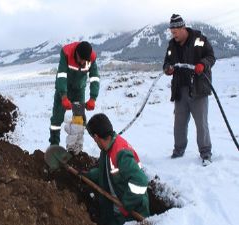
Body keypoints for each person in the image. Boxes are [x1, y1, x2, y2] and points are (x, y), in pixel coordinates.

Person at [163, 14, 216, 166]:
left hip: (198, 89)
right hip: (180, 90)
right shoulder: (172, 45)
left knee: (201, 123)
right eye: (171, 32)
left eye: (175, 32)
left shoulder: (200, 39)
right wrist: (168, 69)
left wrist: (203, 64)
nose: (173, 35)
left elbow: (211, 57)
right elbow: (166, 62)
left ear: (182, 28)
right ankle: (178, 150)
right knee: (179, 123)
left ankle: (205, 153)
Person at [85, 113, 150, 225]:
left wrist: (126, 205)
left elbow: (140, 182)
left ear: (96, 137)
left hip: (131, 214)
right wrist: (89, 175)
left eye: (93, 138)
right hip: (115, 209)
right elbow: (105, 172)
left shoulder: (121, 154)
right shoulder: (107, 149)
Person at [49, 41, 100, 146]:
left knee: (79, 119)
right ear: (76, 53)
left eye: (85, 61)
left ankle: (75, 147)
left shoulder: (91, 58)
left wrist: (93, 98)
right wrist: (63, 96)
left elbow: (94, 77)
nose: (82, 63)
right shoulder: (66, 53)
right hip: (63, 88)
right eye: (81, 59)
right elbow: (62, 75)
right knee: (56, 119)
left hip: (78, 90)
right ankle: (54, 145)